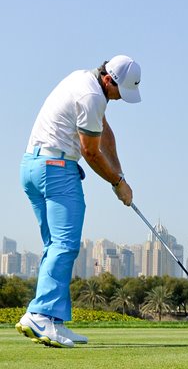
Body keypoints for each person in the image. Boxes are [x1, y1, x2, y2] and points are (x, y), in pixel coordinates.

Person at [16, 55, 141, 348]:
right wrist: (117, 184)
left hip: (32, 166)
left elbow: (105, 134)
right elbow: (91, 152)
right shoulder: (92, 96)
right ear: (109, 80)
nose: (121, 98)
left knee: (53, 245)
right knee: (65, 244)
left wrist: (121, 174)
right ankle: (40, 314)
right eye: (120, 91)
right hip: (57, 170)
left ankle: (53, 320)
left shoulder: (83, 79)